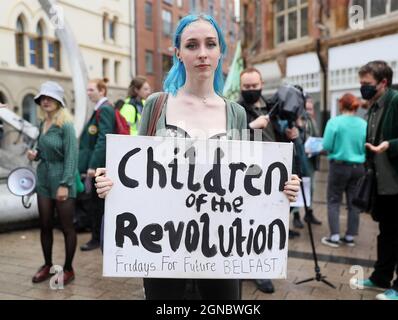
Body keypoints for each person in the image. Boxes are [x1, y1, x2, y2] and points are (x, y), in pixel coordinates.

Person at [94, 14, 300, 300]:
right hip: (163, 244)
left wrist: (280, 188)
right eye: (192, 45)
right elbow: (137, 170)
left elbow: (248, 178)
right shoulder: (157, 105)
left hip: (221, 246)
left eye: (210, 44)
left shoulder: (236, 113)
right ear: (178, 52)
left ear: (220, 52)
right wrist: (111, 184)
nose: (202, 53)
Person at [350, 61, 398, 300]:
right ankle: (381, 277)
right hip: (382, 183)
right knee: (385, 232)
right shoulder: (374, 106)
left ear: (383, 82)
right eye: (361, 84)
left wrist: (391, 145)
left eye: (366, 84)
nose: (362, 88)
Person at [238, 67, 300, 294]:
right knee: (245, 222)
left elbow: (281, 136)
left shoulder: (273, 107)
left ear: (261, 84)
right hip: (246, 175)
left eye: (255, 86)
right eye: (247, 87)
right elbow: (225, 140)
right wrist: (250, 128)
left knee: (266, 222)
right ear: (240, 87)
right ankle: (245, 266)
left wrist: (293, 134)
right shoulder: (235, 110)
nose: (251, 90)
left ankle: (260, 268)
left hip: (273, 174)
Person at [27, 81, 78, 285]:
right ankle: (47, 265)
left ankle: (68, 269)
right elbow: (43, 148)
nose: (45, 101)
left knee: (67, 227)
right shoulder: (43, 123)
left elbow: (71, 157)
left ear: (59, 101)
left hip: (62, 178)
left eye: (50, 98)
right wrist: (35, 154)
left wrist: (65, 183)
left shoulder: (65, 125)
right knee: (45, 225)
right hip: (44, 178)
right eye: (42, 98)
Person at [320, 93, 366, 248]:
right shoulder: (363, 124)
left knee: (334, 200)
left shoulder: (334, 122)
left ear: (341, 105)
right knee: (354, 203)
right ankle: (350, 236)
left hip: (339, 166)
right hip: (358, 167)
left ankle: (334, 237)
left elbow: (326, 146)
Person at [78, 78, 115, 251]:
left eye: (91, 89)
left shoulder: (105, 109)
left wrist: (93, 165)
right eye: (87, 89)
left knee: (97, 205)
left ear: (102, 91)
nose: (88, 92)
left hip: (99, 167)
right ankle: (97, 237)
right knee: (95, 204)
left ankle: (97, 238)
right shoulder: (99, 109)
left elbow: (103, 138)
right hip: (97, 166)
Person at [292, 95, 322, 229]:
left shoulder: (312, 121)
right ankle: (296, 216)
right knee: (298, 189)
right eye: (307, 108)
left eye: (311, 109)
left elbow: (316, 136)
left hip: (311, 160)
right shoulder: (296, 121)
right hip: (298, 160)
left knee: (311, 188)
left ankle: (309, 213)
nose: (309, 111)